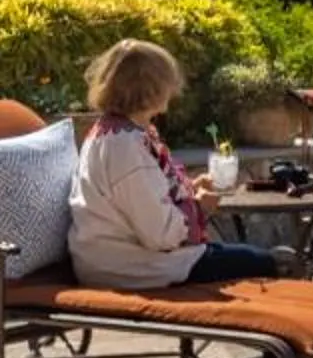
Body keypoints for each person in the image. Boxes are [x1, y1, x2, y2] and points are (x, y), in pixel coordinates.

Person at [70, 40, 288, 290]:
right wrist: (198, 206)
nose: (173, 90)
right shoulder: (124, 146)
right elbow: (160, 234)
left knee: (248, 256)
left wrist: (188, 189)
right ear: (152, 88)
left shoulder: (115, 134)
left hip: (118, 260)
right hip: (132, 267)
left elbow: (143, 202)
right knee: (268, 262)